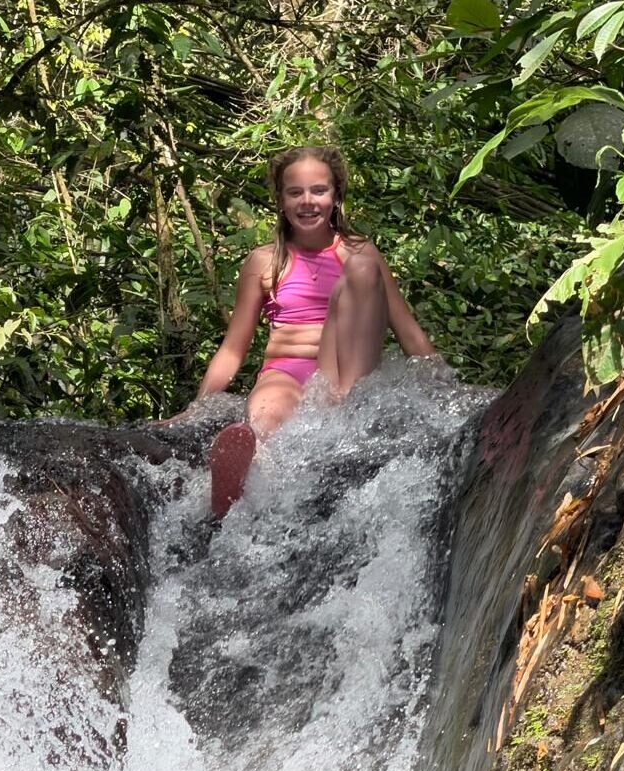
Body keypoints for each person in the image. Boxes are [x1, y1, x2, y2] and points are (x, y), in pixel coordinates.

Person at [188, 146, 439, 515]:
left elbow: (407, 331)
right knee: (266, 418)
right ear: (280, 201)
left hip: (343, 370)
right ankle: (243, 477)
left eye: (319, 190)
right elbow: (232, 349)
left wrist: (443, 385)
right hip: (284, 373)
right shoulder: (264, 260)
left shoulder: (358, 250)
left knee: (363, 269)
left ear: (336, 197)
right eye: (295, 192)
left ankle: (347, 412)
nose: (308, 201)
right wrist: (197, 407)